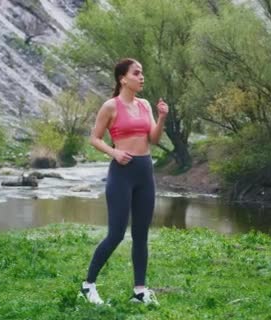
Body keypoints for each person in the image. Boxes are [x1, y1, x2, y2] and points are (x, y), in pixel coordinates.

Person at [79, 58, 168, 305]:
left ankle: (140, 291)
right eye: (137, 73)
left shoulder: (145, 105)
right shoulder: (110, 106)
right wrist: (114, 152)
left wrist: (161, 117)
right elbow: (95, 139)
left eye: (142, 73)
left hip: (144, 171)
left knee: (141, 235)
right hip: (121, 173)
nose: (141, 77)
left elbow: (154, 137)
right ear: (123, 79)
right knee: (116, 234)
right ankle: (87, 286)